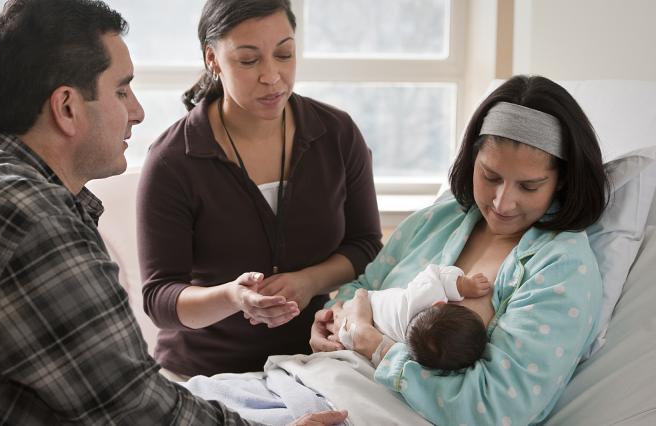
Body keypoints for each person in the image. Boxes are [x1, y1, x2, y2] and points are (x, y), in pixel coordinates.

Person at [0, 1, 346, 424]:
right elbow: (132, 407)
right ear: (67, 108)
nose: (139, 112)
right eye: (122, 90)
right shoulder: (32, 220)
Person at [310, 74, 609, 425]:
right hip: (311, 383)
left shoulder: (561, 268)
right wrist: (329, 318)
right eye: (490, 176)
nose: (503, 202)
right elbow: (361, 289)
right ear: (472, 159)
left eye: (529, 187)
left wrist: (372, 343)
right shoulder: (439, 219)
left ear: (561, 183)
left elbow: (496, 408)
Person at [137, 0, 382, 378]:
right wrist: (232, 298)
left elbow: (365, 245)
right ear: (212, 59)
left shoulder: (337, 134)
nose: (272, 76)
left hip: (314, 365)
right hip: (201, 374)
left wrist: (308, 281)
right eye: (249, 61)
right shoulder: (173, 159)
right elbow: (159, 298)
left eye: (284, 54)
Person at [336, 265, 491, 370]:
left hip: (358, 305)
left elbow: (434, 272)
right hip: (355, 321)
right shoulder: (402, 347)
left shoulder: (424, 295)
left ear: (438, 304)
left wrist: (462, 285)